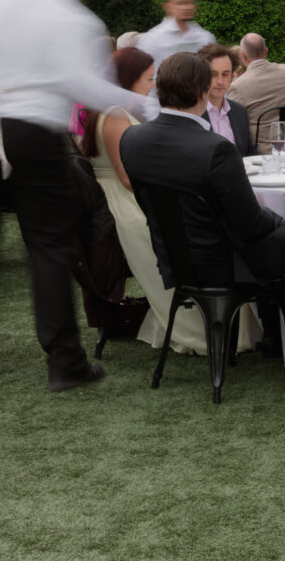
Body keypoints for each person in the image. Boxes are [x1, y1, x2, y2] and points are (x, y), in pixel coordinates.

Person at [0, 0, 147, 391]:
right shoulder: (74, 18)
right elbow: (80, 83)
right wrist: (145, 106)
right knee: (49, 246)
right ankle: (65, 362)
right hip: (31, 130)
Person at [120, 52, 285, 373]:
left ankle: (273, 336)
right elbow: (253, 227)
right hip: (229, 262)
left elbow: (151, 205)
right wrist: (282, 218)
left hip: (178, 259)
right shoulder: (213, 148)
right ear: (204, 91)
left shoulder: (132, 139)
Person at [81, 47, 207, 355]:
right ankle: (192, 328)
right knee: (179, 237)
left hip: (113, 199)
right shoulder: (114, 115)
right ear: (129, 79)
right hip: (122, 204)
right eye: (149, 78)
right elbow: (126, 176)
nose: (153, 86)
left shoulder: (110, 110)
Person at [228, 33, 285, 153]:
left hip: (260, 153)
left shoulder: (238, 86)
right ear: (266, 51)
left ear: (243, 56)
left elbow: (235, 124)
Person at [138, 0, 214, 72]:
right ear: (168, 7)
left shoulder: (205, 38)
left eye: (190, 2)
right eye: (181, 3)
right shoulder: (151, 40)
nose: (187, 7)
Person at [198, 43, 255, 155]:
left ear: (232, 75)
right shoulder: (192, 114)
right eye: (213, 74)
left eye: (225, 74)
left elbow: (249, 153)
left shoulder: (239, 111)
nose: (220, 81)